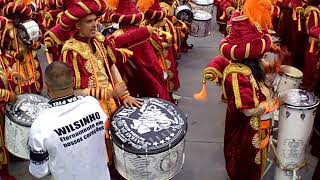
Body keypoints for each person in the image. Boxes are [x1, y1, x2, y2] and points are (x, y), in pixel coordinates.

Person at [28, 62, 111, 180]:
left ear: (46, 86)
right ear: (73, 81)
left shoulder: (41, 125)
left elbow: (39, 171)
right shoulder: (92, 104)